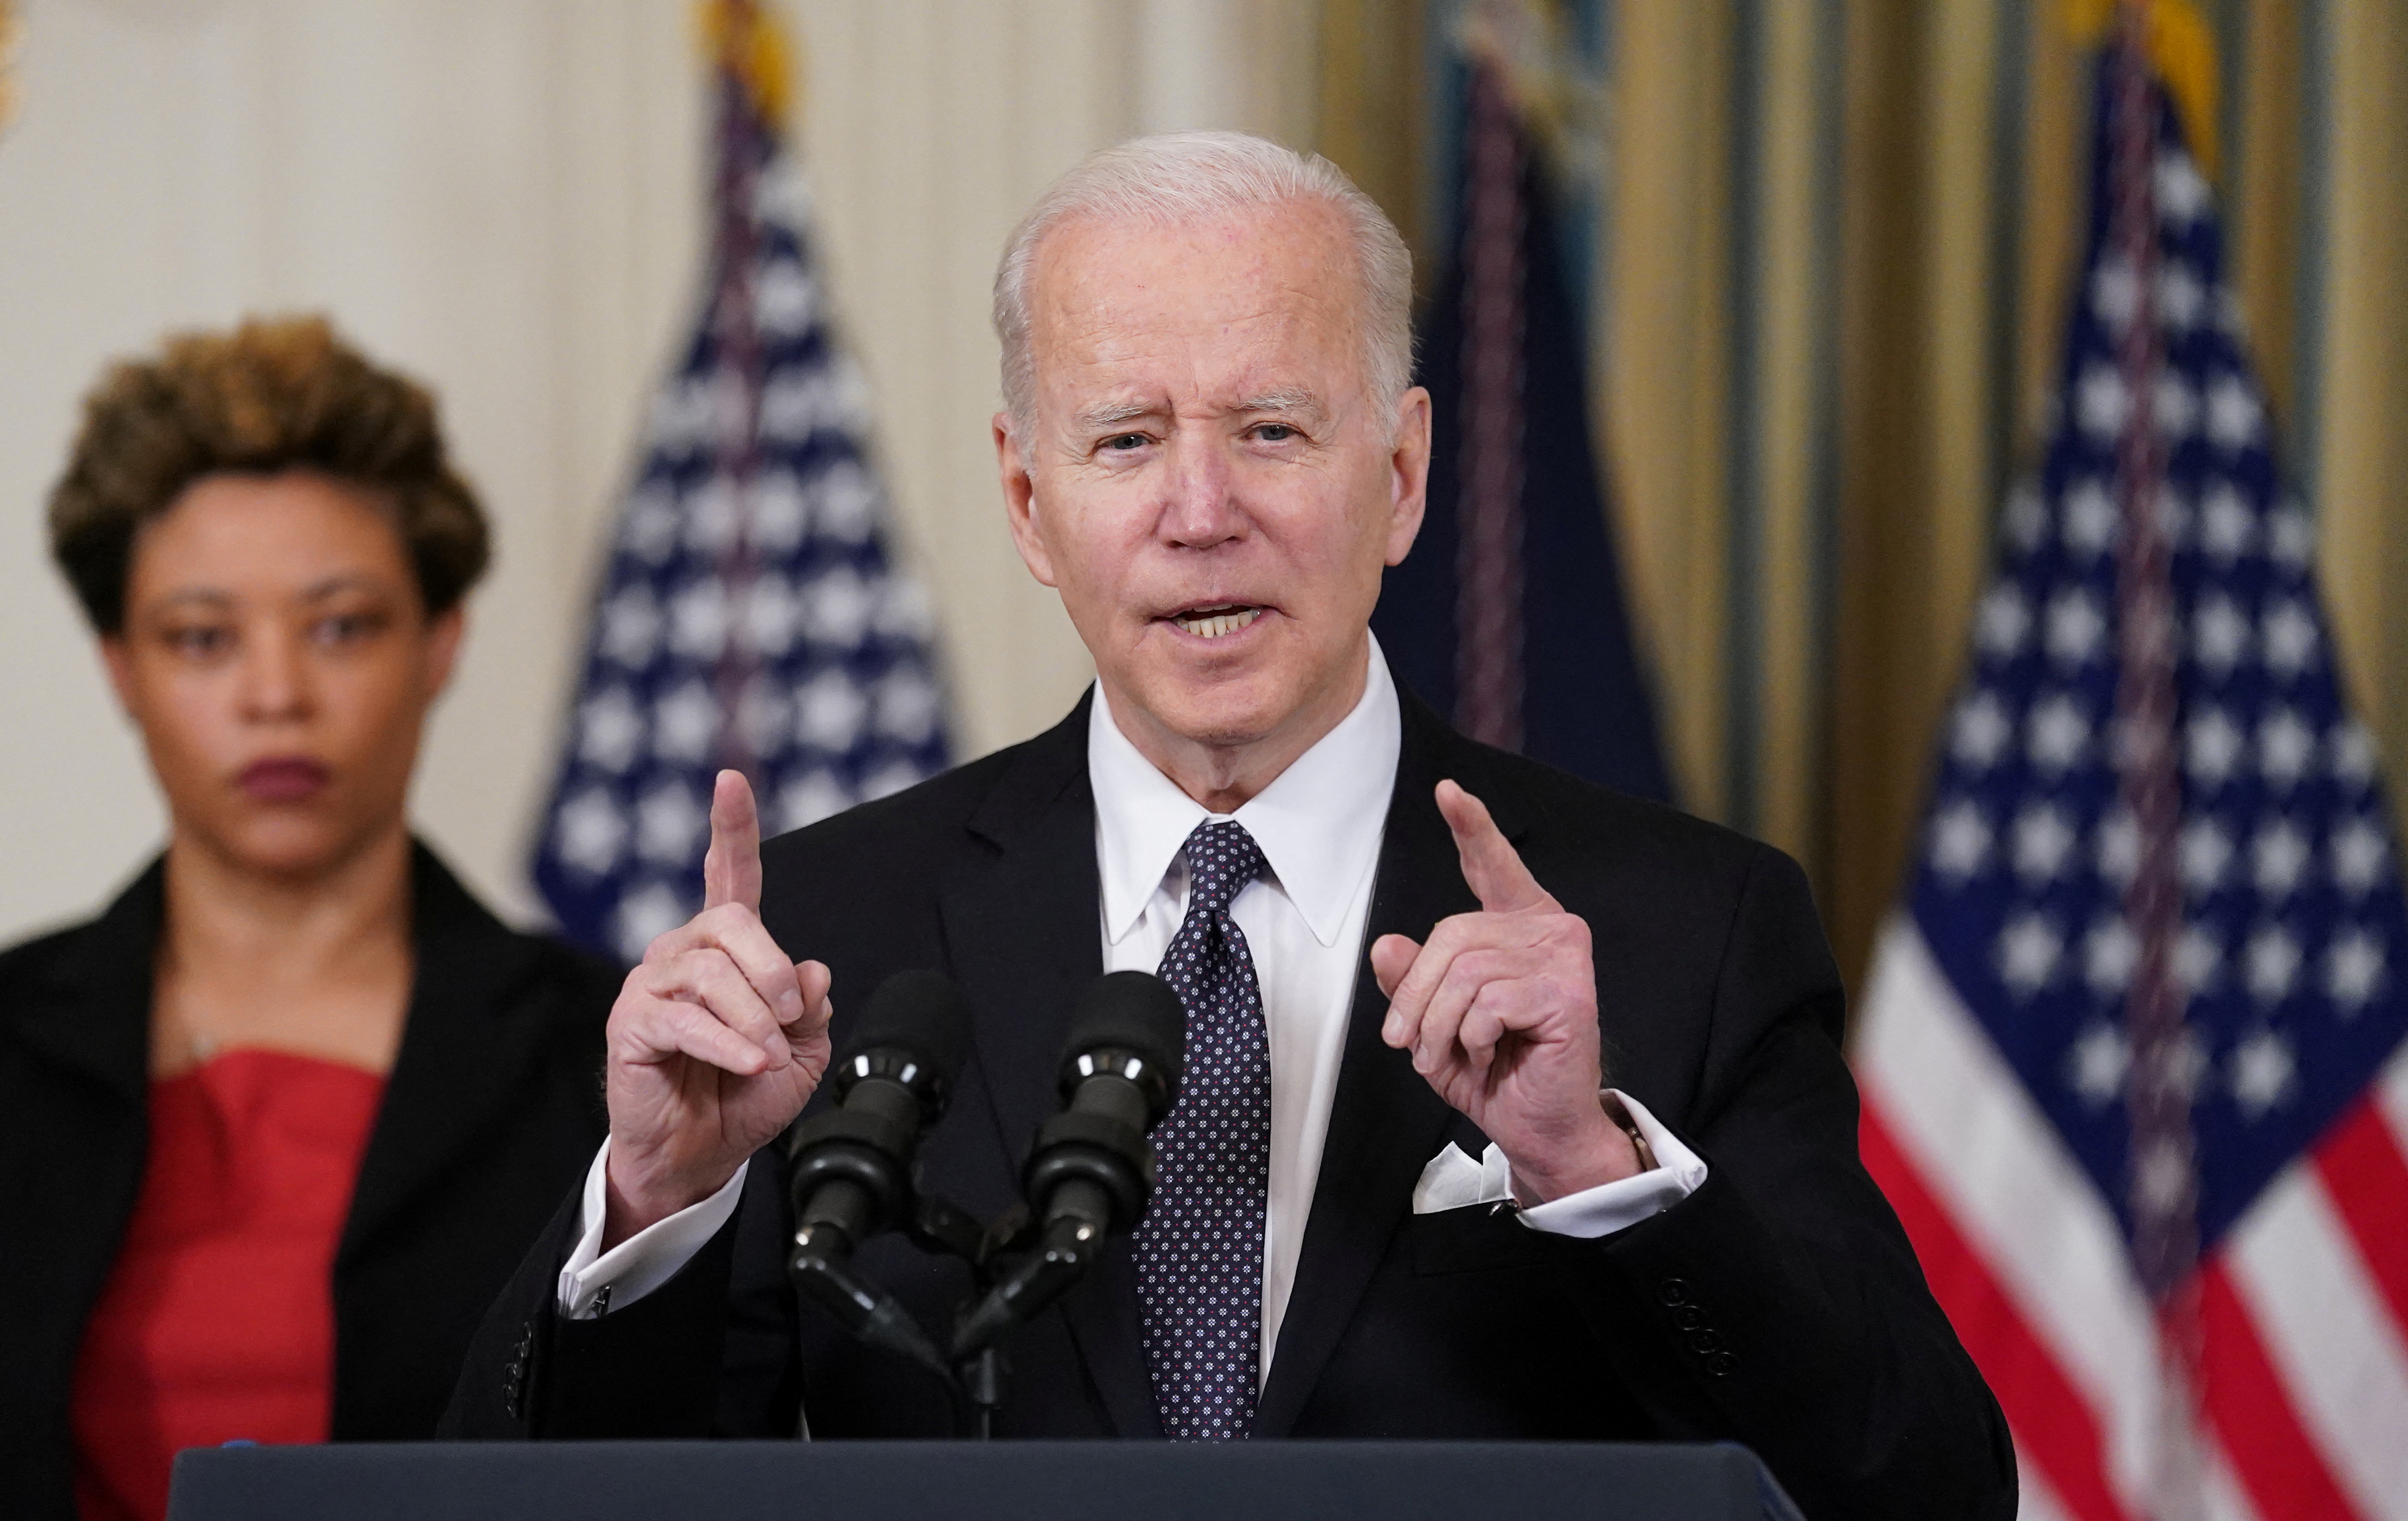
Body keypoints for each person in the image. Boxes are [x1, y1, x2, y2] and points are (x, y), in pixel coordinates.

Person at [445, 135, 2014, 1518]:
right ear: (1026, 500)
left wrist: (1590, 1169)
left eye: (1270, 429)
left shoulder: (1680, 929)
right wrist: (655, 1205)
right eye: (1126, 440)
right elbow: (550, 1502)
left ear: (1400, 476)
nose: (1202, 511)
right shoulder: (834, 935)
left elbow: (1920, 1489)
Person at [0, 317, 619, 1521]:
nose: (275, 694)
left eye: (340, 625)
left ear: (440, 643)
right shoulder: (8, 1038)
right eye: (202, 637)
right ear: (120, 667)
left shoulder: (602, 1062)